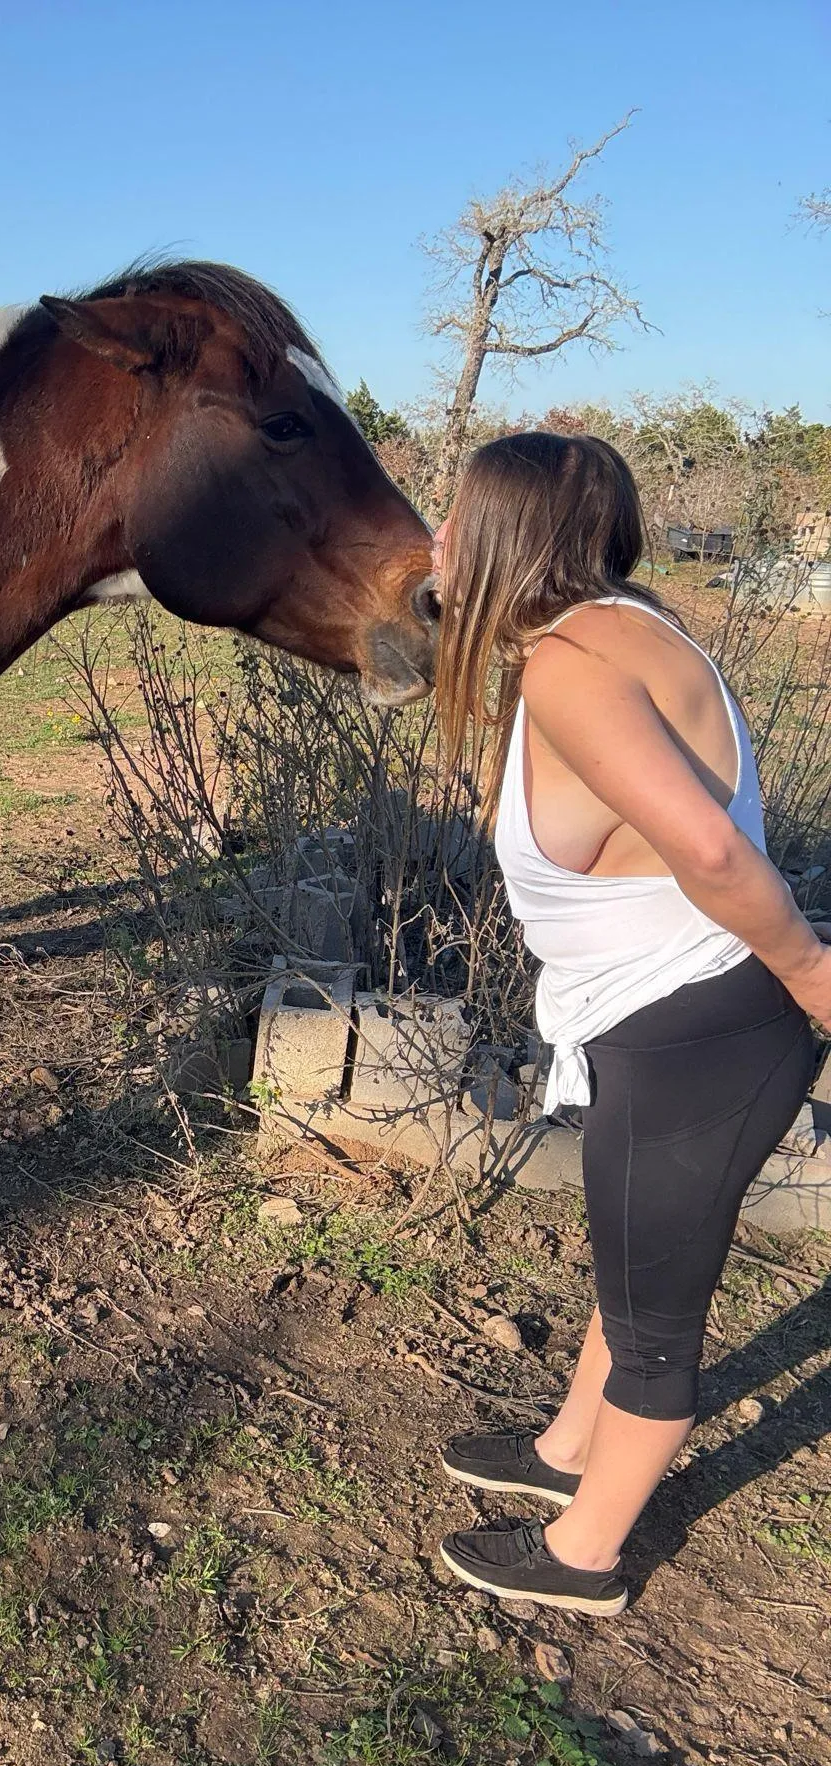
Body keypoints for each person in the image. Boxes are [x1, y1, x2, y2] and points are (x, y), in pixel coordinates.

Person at [429, 432, 829, 1616]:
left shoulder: (572, 666)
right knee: (631, 1263)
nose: (437, 539)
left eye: (454, 517)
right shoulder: (616, 630)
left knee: (656, 1316)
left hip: (701, 1029)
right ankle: (566, 1452)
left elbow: (713, 851)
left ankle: (585, 1555)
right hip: (660, 1020)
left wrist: (813, 972)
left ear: (506, 535)